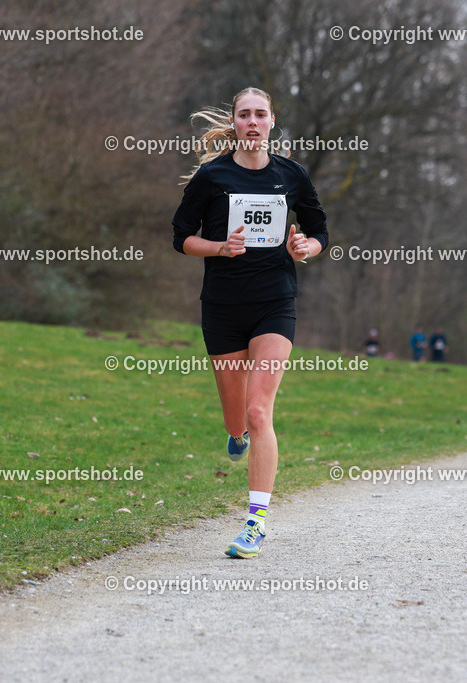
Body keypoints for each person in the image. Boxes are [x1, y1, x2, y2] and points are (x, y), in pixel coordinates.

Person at [172, 87, 328, 558]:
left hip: (274, 304)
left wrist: (306, 248)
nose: (253, 122)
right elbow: (181, 237)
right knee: (237, 418)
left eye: (261, 114)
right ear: (236, 123)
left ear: (272, 122)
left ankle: (255, 523)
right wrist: (219, 247)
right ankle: (234, 434)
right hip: (222, 307)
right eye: (245, 115)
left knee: (261, 411)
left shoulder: (292, 175)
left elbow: (319, 231)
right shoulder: (212, 175)